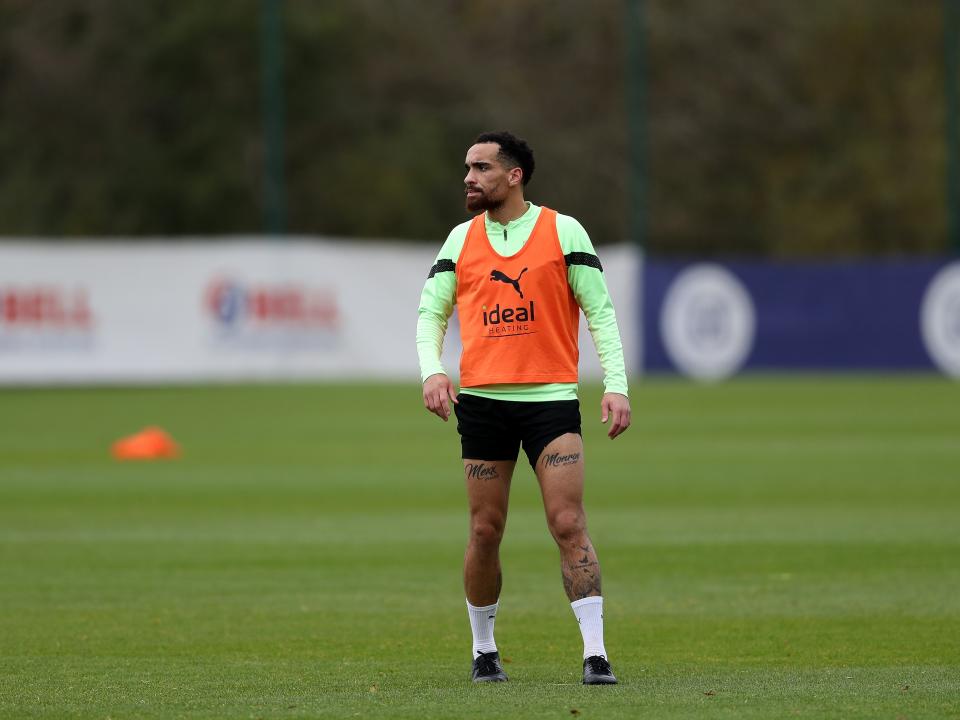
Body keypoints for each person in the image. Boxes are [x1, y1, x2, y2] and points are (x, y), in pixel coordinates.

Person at [416, 131, 631, 685]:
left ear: (514, 176)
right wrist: (433, 371)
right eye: (467, 167)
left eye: (481, 168)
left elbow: (600, 312)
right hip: (483, 403)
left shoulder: (564, 230)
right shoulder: (459, 240)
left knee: (567, 522)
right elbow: (429, 314)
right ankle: (484, 649)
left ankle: (595, 653)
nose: (469, 177)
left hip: (550, 401)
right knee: (485, 530)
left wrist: (617, 385)